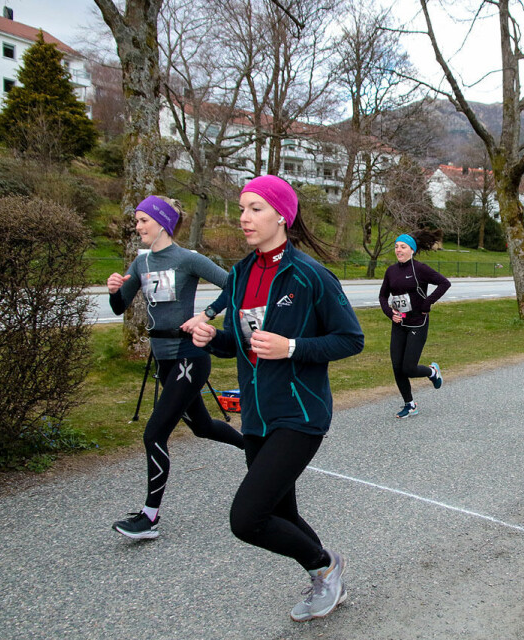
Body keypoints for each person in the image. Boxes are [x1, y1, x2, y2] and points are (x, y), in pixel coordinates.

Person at [191, 176, 364, 622]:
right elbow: (241, 343)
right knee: (279, 512)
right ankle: (326, 571)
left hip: (299, 414)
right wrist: (213, 338)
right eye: (243, 208)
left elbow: (350, 339)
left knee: (246, 519)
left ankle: (326, 568)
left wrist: (292, 347)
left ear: (281, 216)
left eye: (254, 209)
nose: (244, 218)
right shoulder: (242, 273)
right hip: (255, 417)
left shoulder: (310, 275)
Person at [107, 196, 245, 540]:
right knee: (201, 427)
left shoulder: (188, 259)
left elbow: (235, 286)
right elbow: (118, 306)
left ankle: (150, 517)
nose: (137, 227)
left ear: (162, 223)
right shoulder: (141, 264)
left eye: (143, 221)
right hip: (165, 360)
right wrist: (113, 291)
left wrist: (207, 314)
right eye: (136, 221)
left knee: (154, 433)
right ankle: (255, 449)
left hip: (190, 357)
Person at [379, 231, 451, 418]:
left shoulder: (420, 269)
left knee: (409, 368)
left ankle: (432, 372)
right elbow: (382, 295)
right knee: (397, 366)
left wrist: (427, 303)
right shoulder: (391, 271)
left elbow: (444, 283)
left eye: (403, 247)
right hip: (399, 323)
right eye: (396, 246)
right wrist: (390, 313)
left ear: (412, 250)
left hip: (418, 323)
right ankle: (410, 404)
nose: (398, 250)